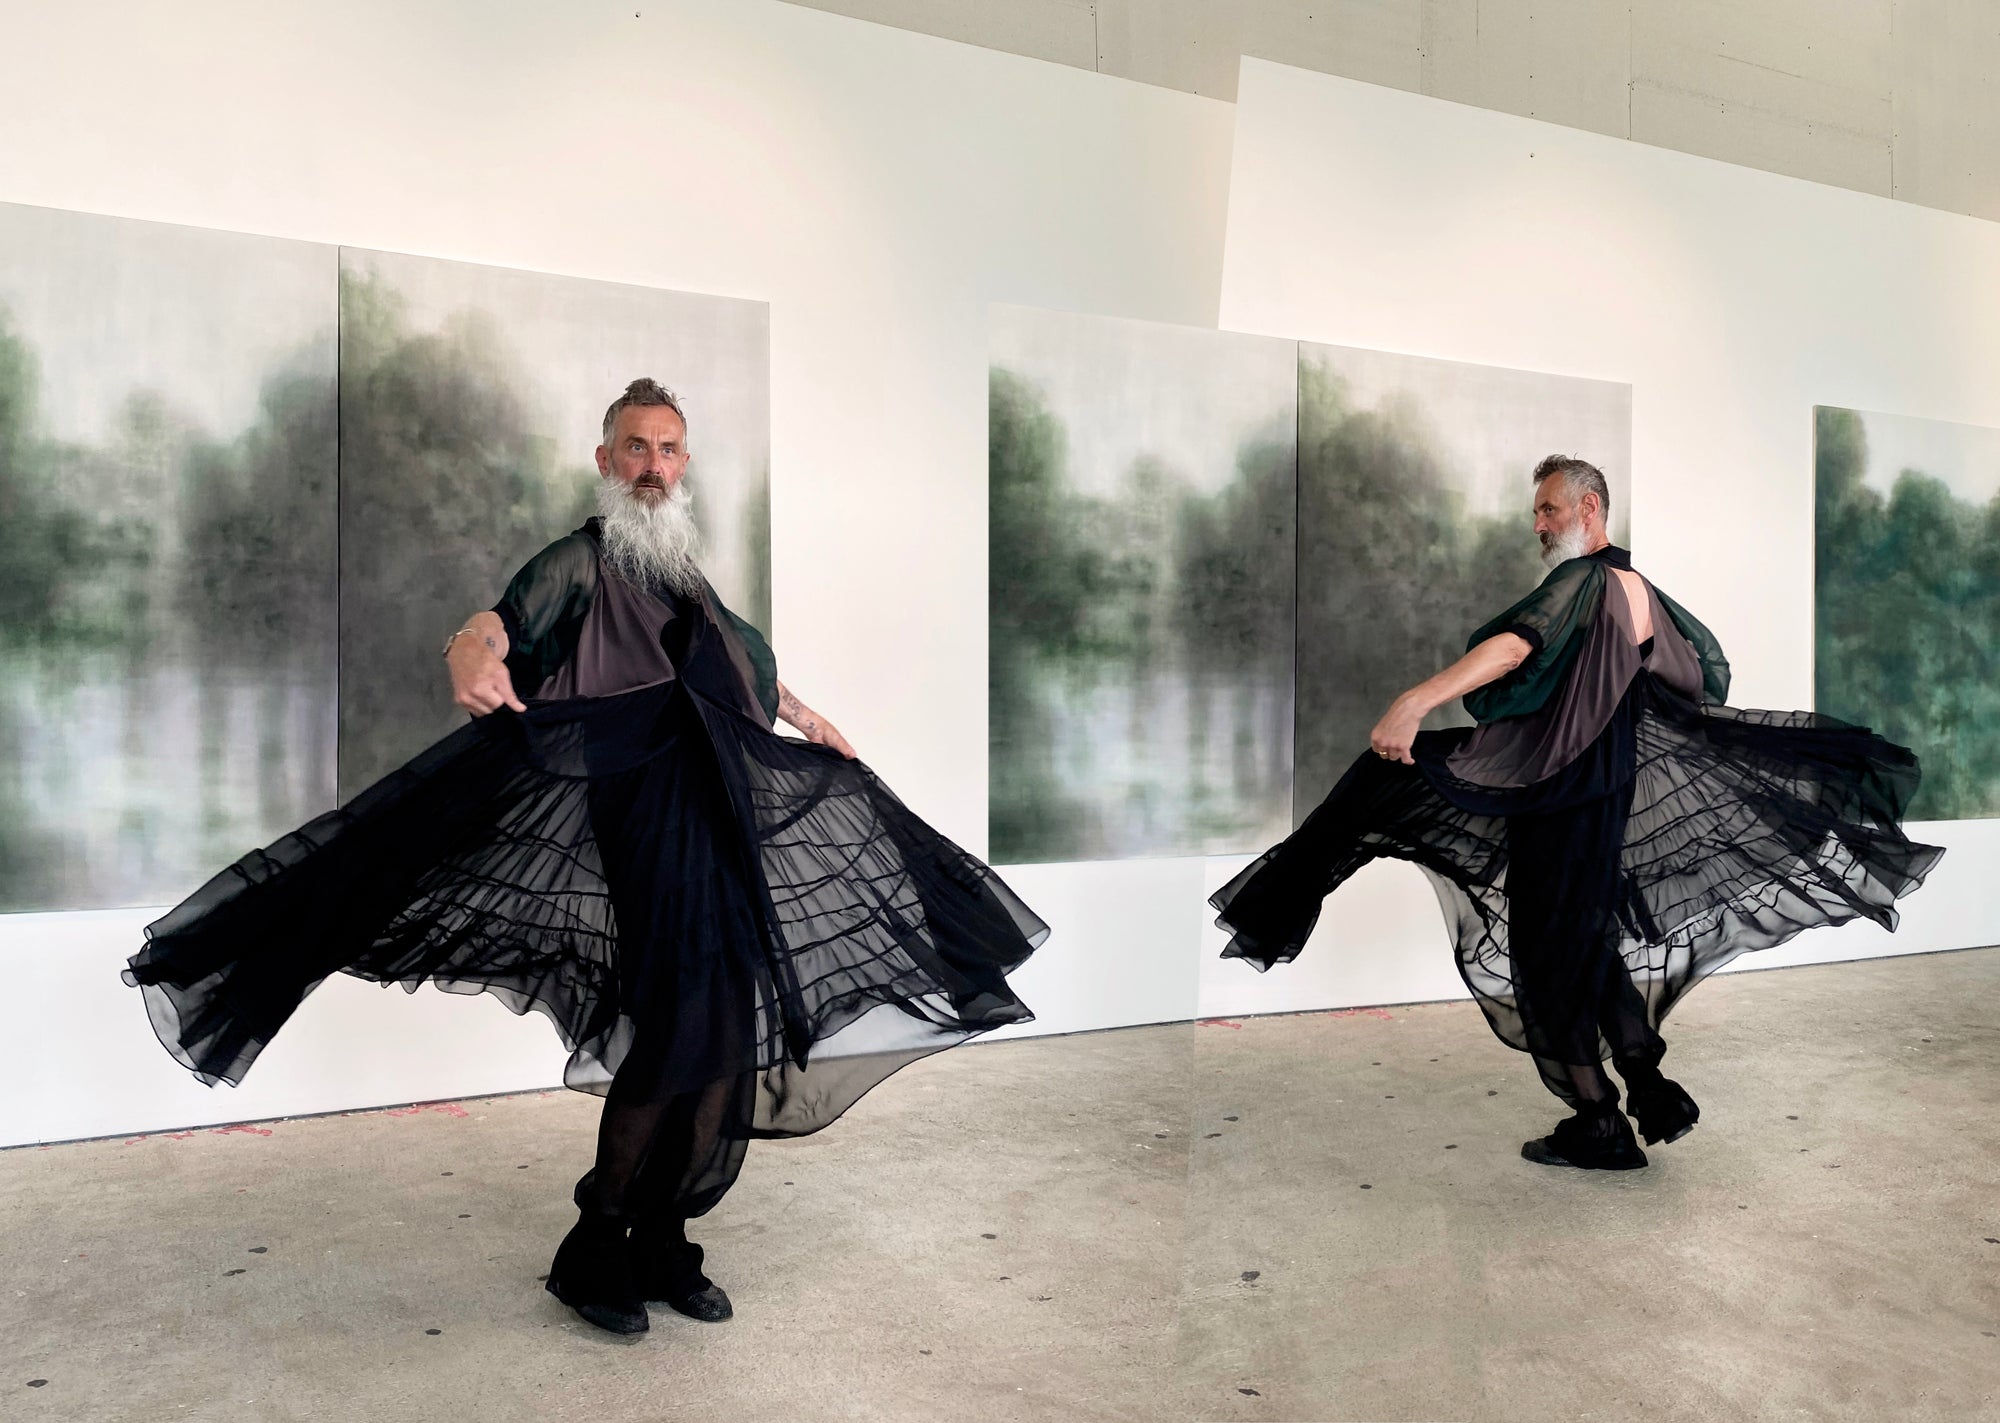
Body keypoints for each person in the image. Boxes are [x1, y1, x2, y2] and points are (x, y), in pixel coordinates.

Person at [126, 378, 1048, 1335]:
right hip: (647, 820)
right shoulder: (578, 562)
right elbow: (496, 623)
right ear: (605, 460)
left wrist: (806, 716)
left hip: (722, 814)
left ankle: (665, 1242)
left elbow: (739, 661)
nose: (653, 467)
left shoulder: (684, 570)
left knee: (726, 1027)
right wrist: (468, 653)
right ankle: (591, 1247)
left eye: (668, 450)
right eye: (636, 448)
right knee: (678, 1024)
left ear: (684, 465)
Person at [1211, 455, 1942, 1171]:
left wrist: (1415, 700)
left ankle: (1599, 1121)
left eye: (1549, 508)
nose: (1538, 522)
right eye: (1536, 511)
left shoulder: (1585, 581)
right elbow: (1678, 677)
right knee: (1586, 941)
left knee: (1538, 939)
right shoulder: (1639, 590)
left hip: (1560, 791)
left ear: (1590, 509)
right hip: (1597, 794)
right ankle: (1648, 1090)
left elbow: (1512, 647)